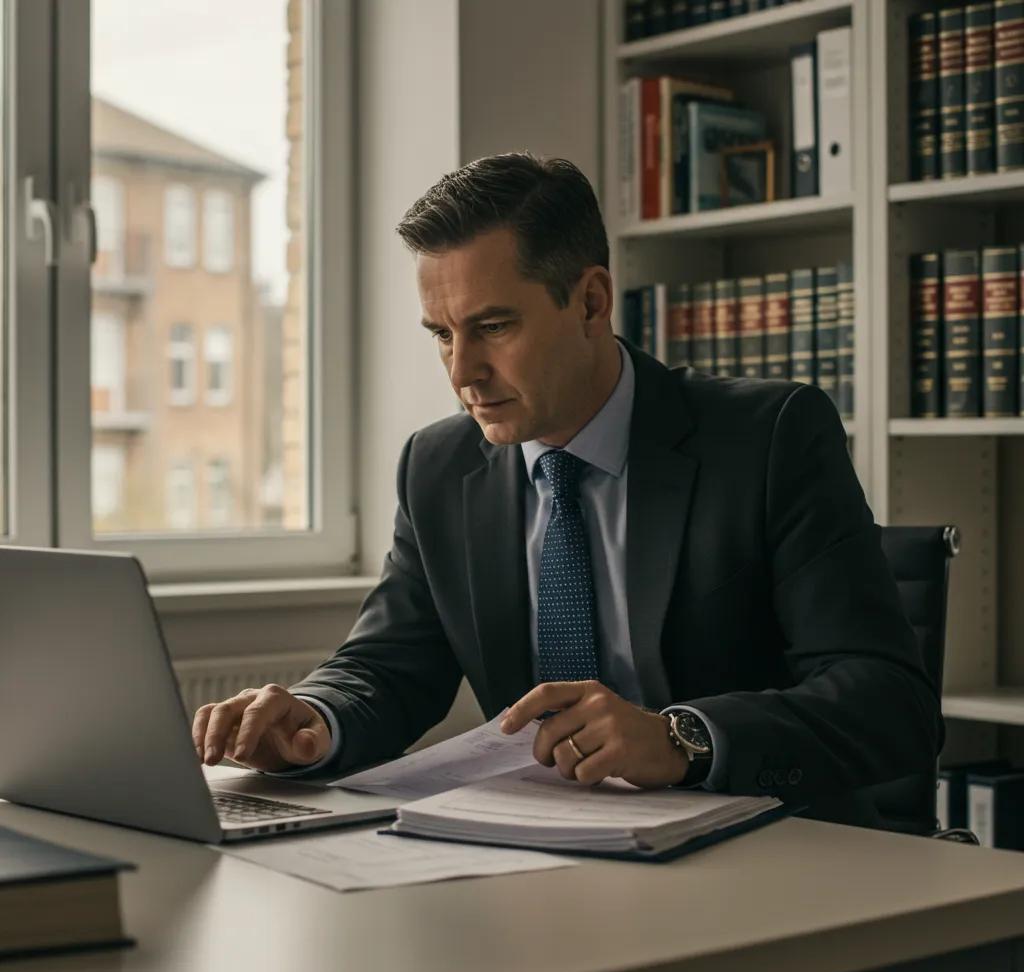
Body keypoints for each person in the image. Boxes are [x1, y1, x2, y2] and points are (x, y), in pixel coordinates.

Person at [193, 152, 942, 826]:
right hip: (544, 861)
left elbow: (889, 703)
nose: (462, 373)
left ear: (590, 302)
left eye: (492, 326)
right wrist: (313, 717)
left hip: (772, 854)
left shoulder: (769, 438)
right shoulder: (438, 466)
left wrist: (682, 738)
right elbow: (390, 668)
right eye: (442, 335)